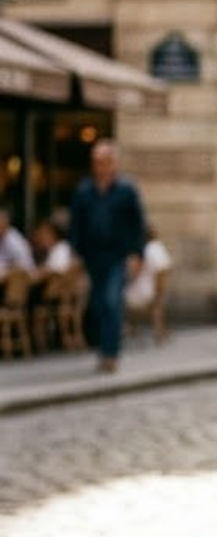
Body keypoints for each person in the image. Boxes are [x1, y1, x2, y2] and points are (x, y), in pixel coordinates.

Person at [68, 138, 147, 373]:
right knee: (99, 303)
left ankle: (111, 354)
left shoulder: (126, 190)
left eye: (106, 160)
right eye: (97, 161)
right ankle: (103, 349)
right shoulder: (84, 191)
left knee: (112, 301)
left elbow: (138, 224)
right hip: (93, 256)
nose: (101, 165)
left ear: (114, 162)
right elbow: (76, 225)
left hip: (118, 255)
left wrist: (137, 254)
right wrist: (76, 253)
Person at [123, 226, 174, 342]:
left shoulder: (145, 250)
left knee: (119, 295)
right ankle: (159, 329)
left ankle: (129, 327)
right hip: (157, 289)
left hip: (146, 291)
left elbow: (135, 271)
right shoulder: (159, 247)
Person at [0, 207, 32, 277]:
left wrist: (6, 270)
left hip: (21, 276)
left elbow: (24, 266)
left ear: (5, 224)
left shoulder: (15, 240)